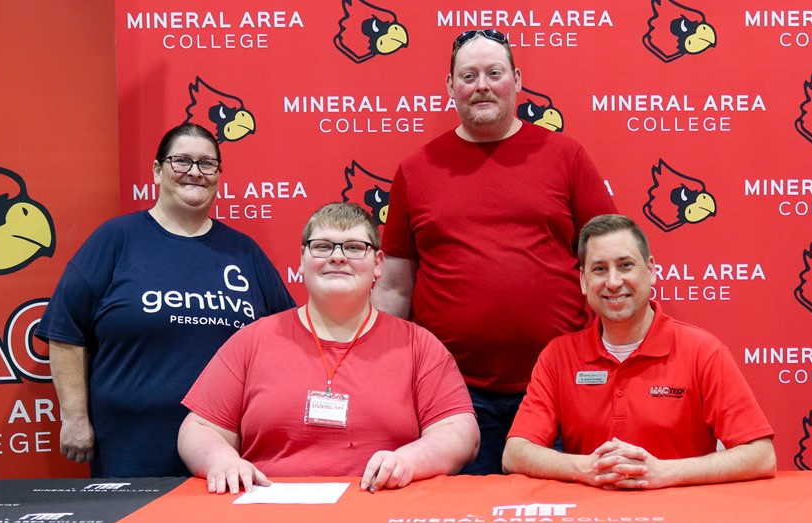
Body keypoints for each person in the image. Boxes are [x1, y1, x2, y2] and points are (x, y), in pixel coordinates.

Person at [372, 29, 618, 475]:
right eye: (468, 75)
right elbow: (393, 286)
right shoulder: (415, 170)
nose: (481, 84)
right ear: (450, 87)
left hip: (559, 386)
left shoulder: (566, 156)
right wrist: (377, 372)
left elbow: (612, 257)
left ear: (516, 80)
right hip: (452, 395)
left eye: (494, 72)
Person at [36, 123, 295, 478]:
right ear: (158, 171)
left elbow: (288, 336)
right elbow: (66, 331)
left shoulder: (244, 252)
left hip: (226, 451)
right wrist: (75, 417)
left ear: (219, 175)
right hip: (129, 447)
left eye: (207, 164)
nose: (195, 172)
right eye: (181, 161)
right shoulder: (116, 240)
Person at [178, 202, 479, 494]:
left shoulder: (419, 346)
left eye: (354, 247)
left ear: (378, 264)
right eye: (322, 246)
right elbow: (200, 428)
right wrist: (221, 460)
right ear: (302, 259)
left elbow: (458, 432)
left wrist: (408, 462)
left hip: (383, 510)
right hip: (267, 513)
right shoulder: (252, 341)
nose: (337, 257)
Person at [503, 214, 776, 489]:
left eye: (625, 265)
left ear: (651, 270)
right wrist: (587, 468)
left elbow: (761, 456)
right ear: (584, 281)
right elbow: (515, 453)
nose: (613, 282)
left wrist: (664, 473)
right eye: (599, 269)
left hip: (684, 522)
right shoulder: (559, 356)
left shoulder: (703, 351)